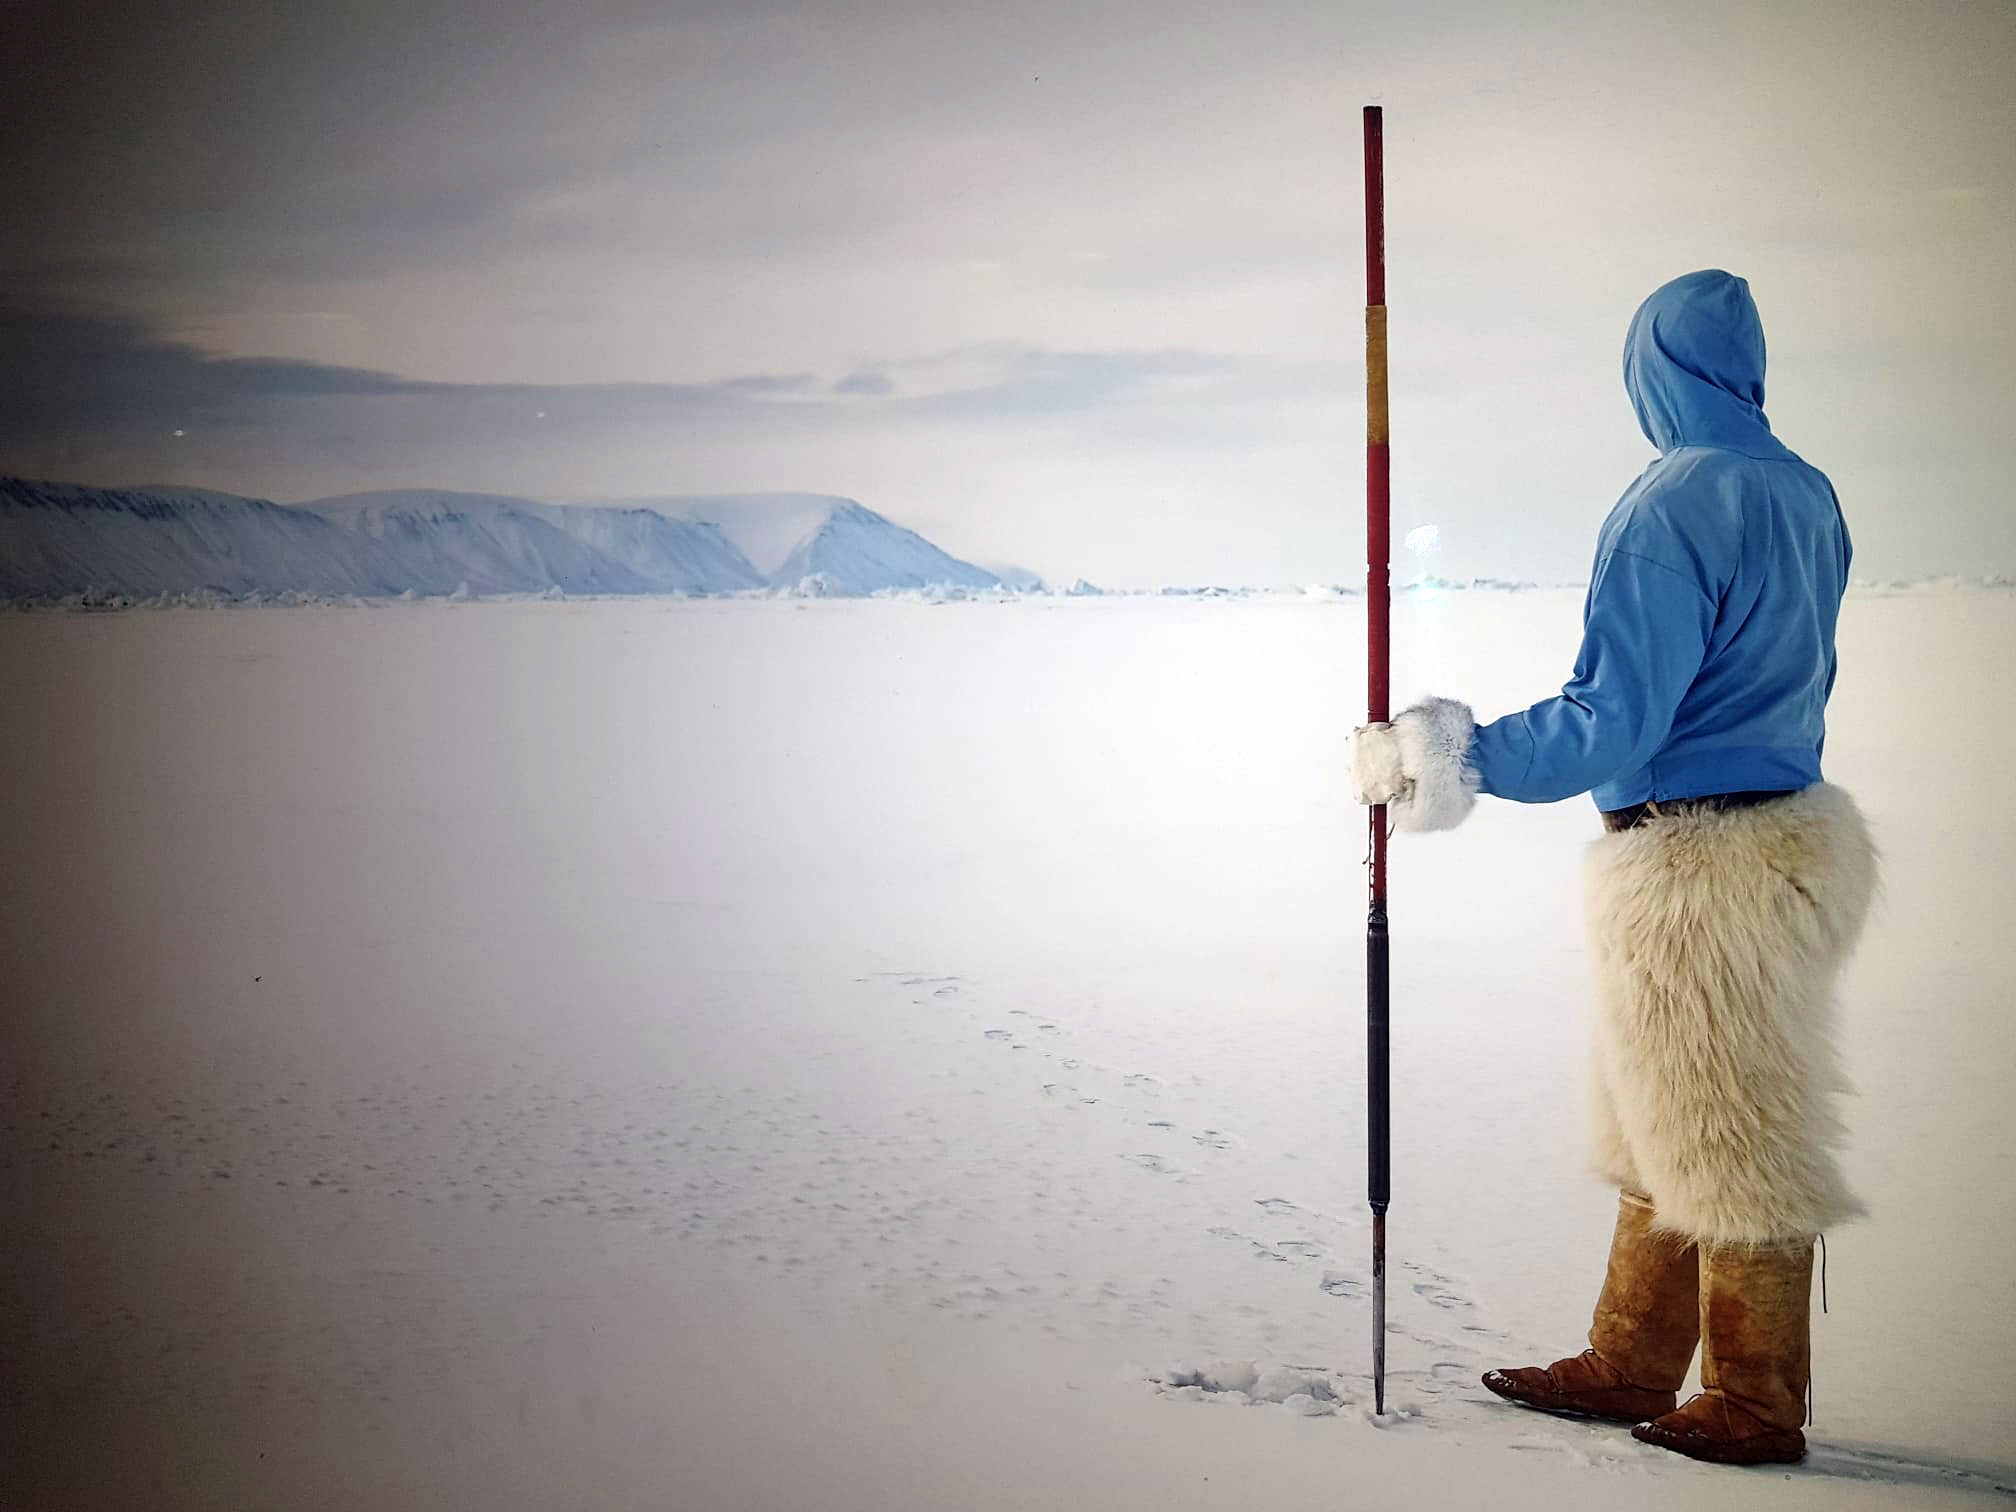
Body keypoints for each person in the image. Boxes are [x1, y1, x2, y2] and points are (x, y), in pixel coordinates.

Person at [1347, 269, 1877, 1467]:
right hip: (1785, 841)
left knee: (1728, 1132)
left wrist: (1454, 758)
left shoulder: (1673, 504)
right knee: (1668, 1114)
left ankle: (1751, 1396)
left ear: (1651, 372)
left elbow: (1614, 719)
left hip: (1701, 864)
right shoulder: (1807, 493)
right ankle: (1631, 1359)